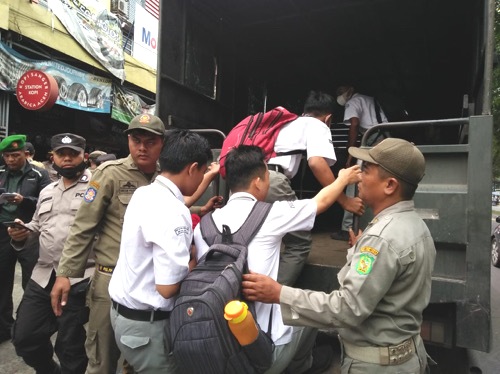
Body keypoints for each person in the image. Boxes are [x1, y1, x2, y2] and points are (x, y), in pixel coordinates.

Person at [242, 138, 436, 374]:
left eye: (366, 169)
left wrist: (279, 293)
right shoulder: (416, 226)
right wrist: (360, 250)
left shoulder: (382, 240)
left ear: (390, 185)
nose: (358, 176)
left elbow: (347, 309)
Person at [50, 114, 221, 374]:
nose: (142, 147)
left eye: (150, 142)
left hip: (147, 282)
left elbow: (168, 212)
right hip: (112, 278)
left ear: (163, 144)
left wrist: (201, 205)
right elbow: (83, 227)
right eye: (136, 140)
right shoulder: (110, 173)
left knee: (134, 362)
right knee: (103, 359)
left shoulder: (159, 181)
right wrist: (65, 273)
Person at [193, 145, 362, 373]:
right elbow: (320, 202)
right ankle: (303, 365)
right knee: (310, 311)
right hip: (262, 352)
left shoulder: (203, 225)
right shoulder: (271, 214)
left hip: (215, 343)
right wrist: (342, 179)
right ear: (258, 182)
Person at [109, 129, 213, 372]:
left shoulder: (144, 193)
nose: (202, 179)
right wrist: (193, 262)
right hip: (146, 327)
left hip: (124, 316)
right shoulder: (174, 211)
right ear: (192, 168)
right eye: (204, 172)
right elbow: (167, 289)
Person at [8, 133, 94, 374]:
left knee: (69, 346)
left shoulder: (97, 187)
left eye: (73, 154)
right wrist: (23, 231)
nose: (67, 159)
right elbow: (37, 225)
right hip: (44, 274)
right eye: (61, 154)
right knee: (24, 337)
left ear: (83, 156)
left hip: (80, 277)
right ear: (52, 157)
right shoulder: (47, 191)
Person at [265, 90, 364, 286]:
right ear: (328, 118)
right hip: (272, 180)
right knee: (299, 244)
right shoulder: (318, 125)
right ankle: (273, 297)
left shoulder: (286, 122)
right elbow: (317, 163)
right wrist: (345, 201)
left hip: (247, 176)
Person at [0, 134, 51, 344]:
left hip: (29, 233)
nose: (11, 160)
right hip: (2, 233)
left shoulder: (39, 174)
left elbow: (47, 201)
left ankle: (27, 326)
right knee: (2, 281)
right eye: (7, 156)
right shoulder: (1, 173)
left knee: (31, 281)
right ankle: (5, 328)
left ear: (25, 154)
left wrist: (25, 200)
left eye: (15, 155)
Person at [331, 85, 388, 241]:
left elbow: (355, 124)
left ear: (349, 90)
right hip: (384, 138)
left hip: (370, 140)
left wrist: (350, 153)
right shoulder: (369, 99)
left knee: (353, 178)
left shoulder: (353, 102)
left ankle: (347, 228)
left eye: (340, 92)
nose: (339, 95)